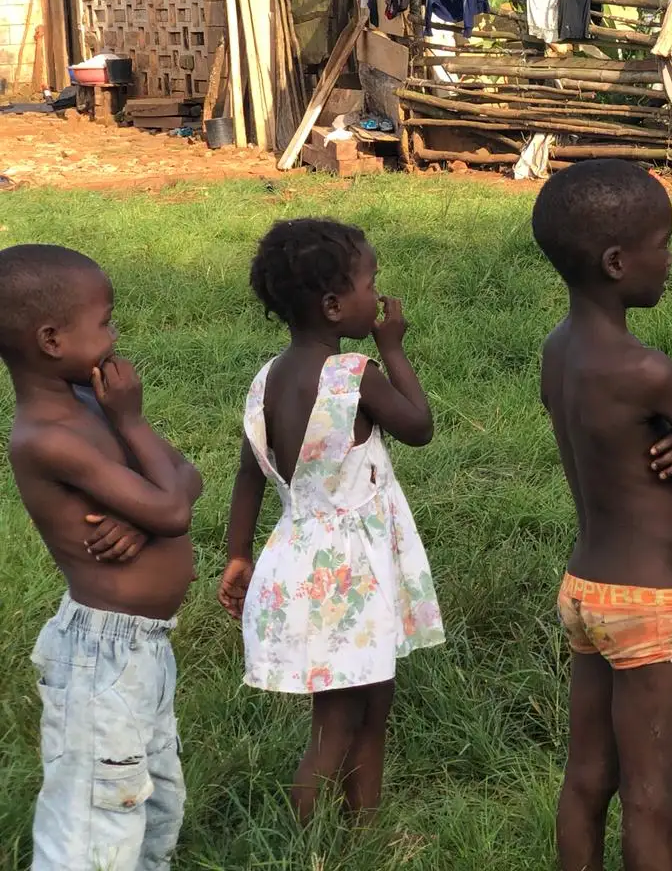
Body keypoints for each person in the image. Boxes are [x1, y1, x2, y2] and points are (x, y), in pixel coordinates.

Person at [532, 160, 672, 871]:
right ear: (617, 262)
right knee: (653, 794)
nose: (670, 258)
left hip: (584, 590)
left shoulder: (557, 351)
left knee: (586, 777)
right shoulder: (646, 370)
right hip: (645, 606)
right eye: (664, 244)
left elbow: (615, 439)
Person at [217, 219, 445, 824]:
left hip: (299, 559)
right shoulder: (354, 375)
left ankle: (359, 830)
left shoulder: (267, 379)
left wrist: (238, 555)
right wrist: (393, 348)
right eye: (370, 282)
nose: (378, 295)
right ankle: (308, 836)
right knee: (344, 720)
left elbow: (248, 476)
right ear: (333, 305)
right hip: (352, 571)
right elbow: (419, 427)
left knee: (363, 702)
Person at [1, 244, 204, 871]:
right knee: (94, 822)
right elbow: (174, 507)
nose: (115, 336)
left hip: (142, 649)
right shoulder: (47, 438)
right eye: (105, 322)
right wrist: (136, 431)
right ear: (52, 339)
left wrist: (141, 514)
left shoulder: (93, 404)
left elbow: (186, 477)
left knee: (153, 802)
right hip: (101, 657)